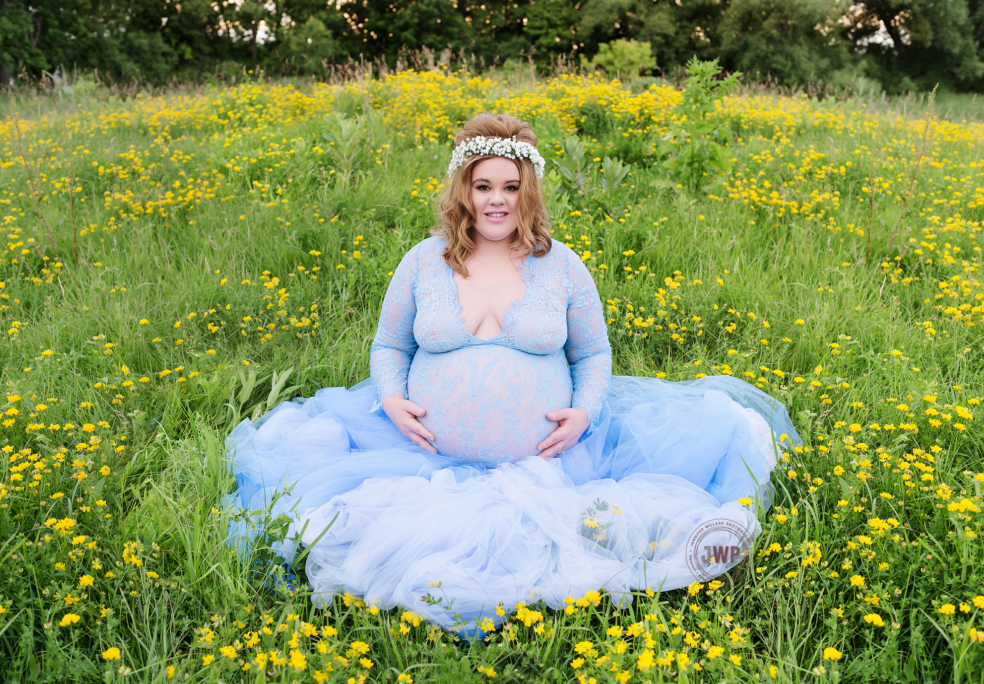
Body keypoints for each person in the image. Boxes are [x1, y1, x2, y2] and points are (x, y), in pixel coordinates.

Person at [224, 113, 800, 631]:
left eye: (511, 188)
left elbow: (593, 356)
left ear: (529, 194)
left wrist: (585, 412)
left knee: (629, 495)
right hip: (425, 456)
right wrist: (394, 401)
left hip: (552, 456)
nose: (496, 201)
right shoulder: (425, 260)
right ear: (463, 190)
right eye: (483, 186)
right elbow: (389, 345)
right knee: (359, 522)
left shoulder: (561, 263)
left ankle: (683, 542)